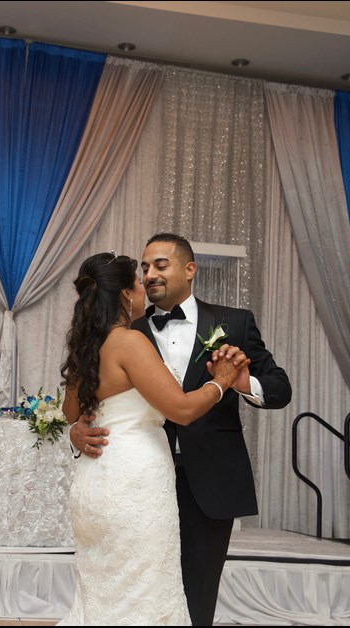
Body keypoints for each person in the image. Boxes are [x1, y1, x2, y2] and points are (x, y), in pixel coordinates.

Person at [70, 233, 292, 626]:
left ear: (190, 269)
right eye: (143, 269)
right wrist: (75, 432)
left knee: (193, 598)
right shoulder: (128, 333)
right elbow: (84, 408)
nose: (149, 274)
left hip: (206, 481)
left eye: (160, 264)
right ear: (126, 292)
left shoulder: (234, 322)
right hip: (140, 482)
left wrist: (242, 384)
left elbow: (279, 388)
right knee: (142, 590)